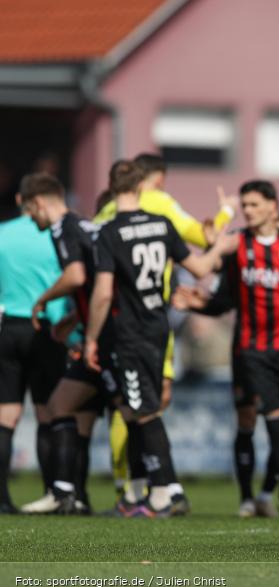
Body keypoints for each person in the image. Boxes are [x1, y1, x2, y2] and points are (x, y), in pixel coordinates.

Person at [68, 159, 234, 517]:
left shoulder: (107, 232)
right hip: (159, 327)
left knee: (142, 412)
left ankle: (164, 491)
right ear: (142, 188)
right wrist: (220, 244)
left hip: (128, 331)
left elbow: (102, 293)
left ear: (112, 189)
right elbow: (201, 269)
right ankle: (145, 492)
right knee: (136, 408)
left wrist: (92, 337)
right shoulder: (161, 225)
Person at [173, 180, 279, 520]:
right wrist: (195, 302)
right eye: (243, 206)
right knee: (270, 423)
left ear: (272, 207)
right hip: (251, 351)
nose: (248, 211)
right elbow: (214, 283)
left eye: (253, 205)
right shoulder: (237, 244)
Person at [16, 174, 108, 515]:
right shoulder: (83, 225)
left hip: (106, 337)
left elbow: (77, 277)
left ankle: (163, 490)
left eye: (30, 211)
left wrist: (43, 300)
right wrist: (76, 320)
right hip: (99, 331)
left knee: (60, 406)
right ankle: (74, 495)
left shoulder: (62, 228)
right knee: (79, 414)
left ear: (38, 202)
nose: (32, 219)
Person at [0, 188, 69, 514]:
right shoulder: (52, 236)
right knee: (48, 413)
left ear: (19, 199)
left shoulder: (3, 233)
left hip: (7, 328)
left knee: (5, 416)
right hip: (45, 328)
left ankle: (2, 499)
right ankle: (51, 494)